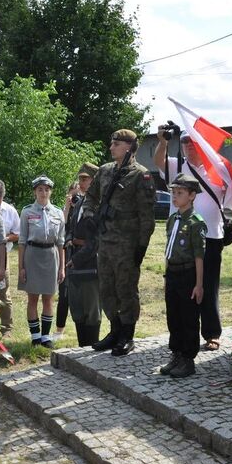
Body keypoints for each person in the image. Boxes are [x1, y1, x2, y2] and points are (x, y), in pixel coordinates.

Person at [154, 130, 230, 352]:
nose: (187, 145)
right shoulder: (177, 165)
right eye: (184, 142)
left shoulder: (218, 168)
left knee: (208, 286)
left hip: (211, 235)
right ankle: (184, 337)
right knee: (183, 288)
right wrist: (162, 142)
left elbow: (231, 192)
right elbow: (158, 160)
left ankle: (211, 332)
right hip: (181, 236)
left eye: (192, 142)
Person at [83, 129, 155, 357]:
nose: (111, 147)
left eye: (116, 144)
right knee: (107, 289)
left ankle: (127, 335)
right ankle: (114, 331)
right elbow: (91, 196)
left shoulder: (141, 175)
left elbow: (147, 217)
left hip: (127, 245)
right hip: (105, 242)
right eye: (112, 143)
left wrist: (141, 247)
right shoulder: (105, 171)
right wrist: (88, 214)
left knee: (126, 290)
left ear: (128, 147)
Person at [159, 171, 206, 378]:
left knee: (188, 317)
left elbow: (199, 256)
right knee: (174, 316)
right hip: (173, 273)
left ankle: (188, 358)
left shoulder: (196, 222)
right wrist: (166, 276)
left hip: (188, 274)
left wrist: (199, 284)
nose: (175, 196)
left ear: (192, 195)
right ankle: (176, 354)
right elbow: (169, 250)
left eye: (180, 193)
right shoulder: (172, 219)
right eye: (174, 193)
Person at [18, 176, 66, 348]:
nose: (43, 193)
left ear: (50, 191)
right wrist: (21, 267)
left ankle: (46, 336)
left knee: (48, 298)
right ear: (35, 192)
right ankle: (35, 336)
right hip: (32, 255)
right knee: (32, 298)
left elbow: (61, 242)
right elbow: (22, 241)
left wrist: (62, 267)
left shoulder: (58, 213)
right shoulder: (27, 212)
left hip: (50, 256)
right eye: (40, 189)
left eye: (46, 189)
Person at [64, 163, 101, 346]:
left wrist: (76, 259)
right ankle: (81, 350)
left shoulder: (99, 205)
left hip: (91, 263)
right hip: (75, 259)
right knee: (77, 309)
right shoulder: (79, 203)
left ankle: (90, 349)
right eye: (80, 178)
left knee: (91, 310)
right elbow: (70, 227)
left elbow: (96, 241)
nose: (81, 182)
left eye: (85, 179)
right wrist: (69, 240)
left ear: (94, 181)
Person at [0, 179, 20, 338]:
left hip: (3, 257)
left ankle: (6, 329)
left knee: (3, 294)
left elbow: (18, 234)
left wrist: (4, 239)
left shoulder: (10, 211)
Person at [54, 181, 79, 341]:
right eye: (73, 194)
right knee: (64, 292)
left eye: (79, 195)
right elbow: (60, 227)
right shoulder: (64, 210)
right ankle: (59, 330)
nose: (76, 198)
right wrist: (68, 206)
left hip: (83, 252)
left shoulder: (87, 207)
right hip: (66, 251)